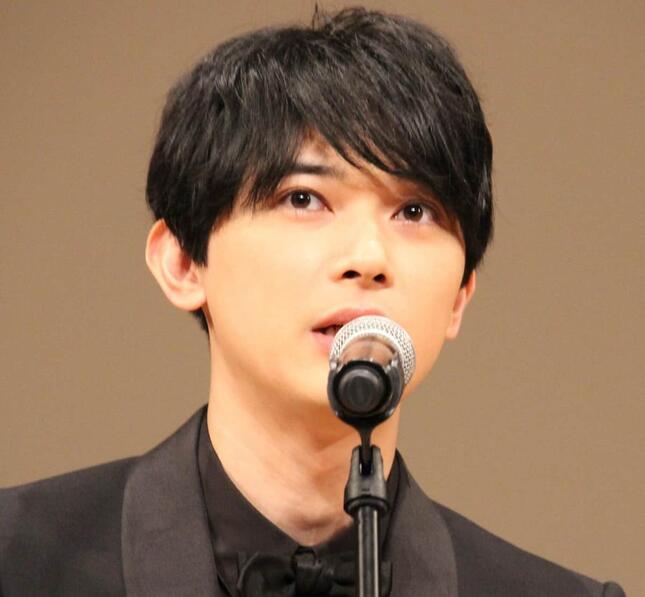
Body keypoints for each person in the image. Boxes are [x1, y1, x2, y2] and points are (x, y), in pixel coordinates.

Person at [0, 7, 625, 596]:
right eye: (303, 199)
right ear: (184, 262)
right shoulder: (18, 559)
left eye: (415, 212)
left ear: (460, 296)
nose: (369, 257)